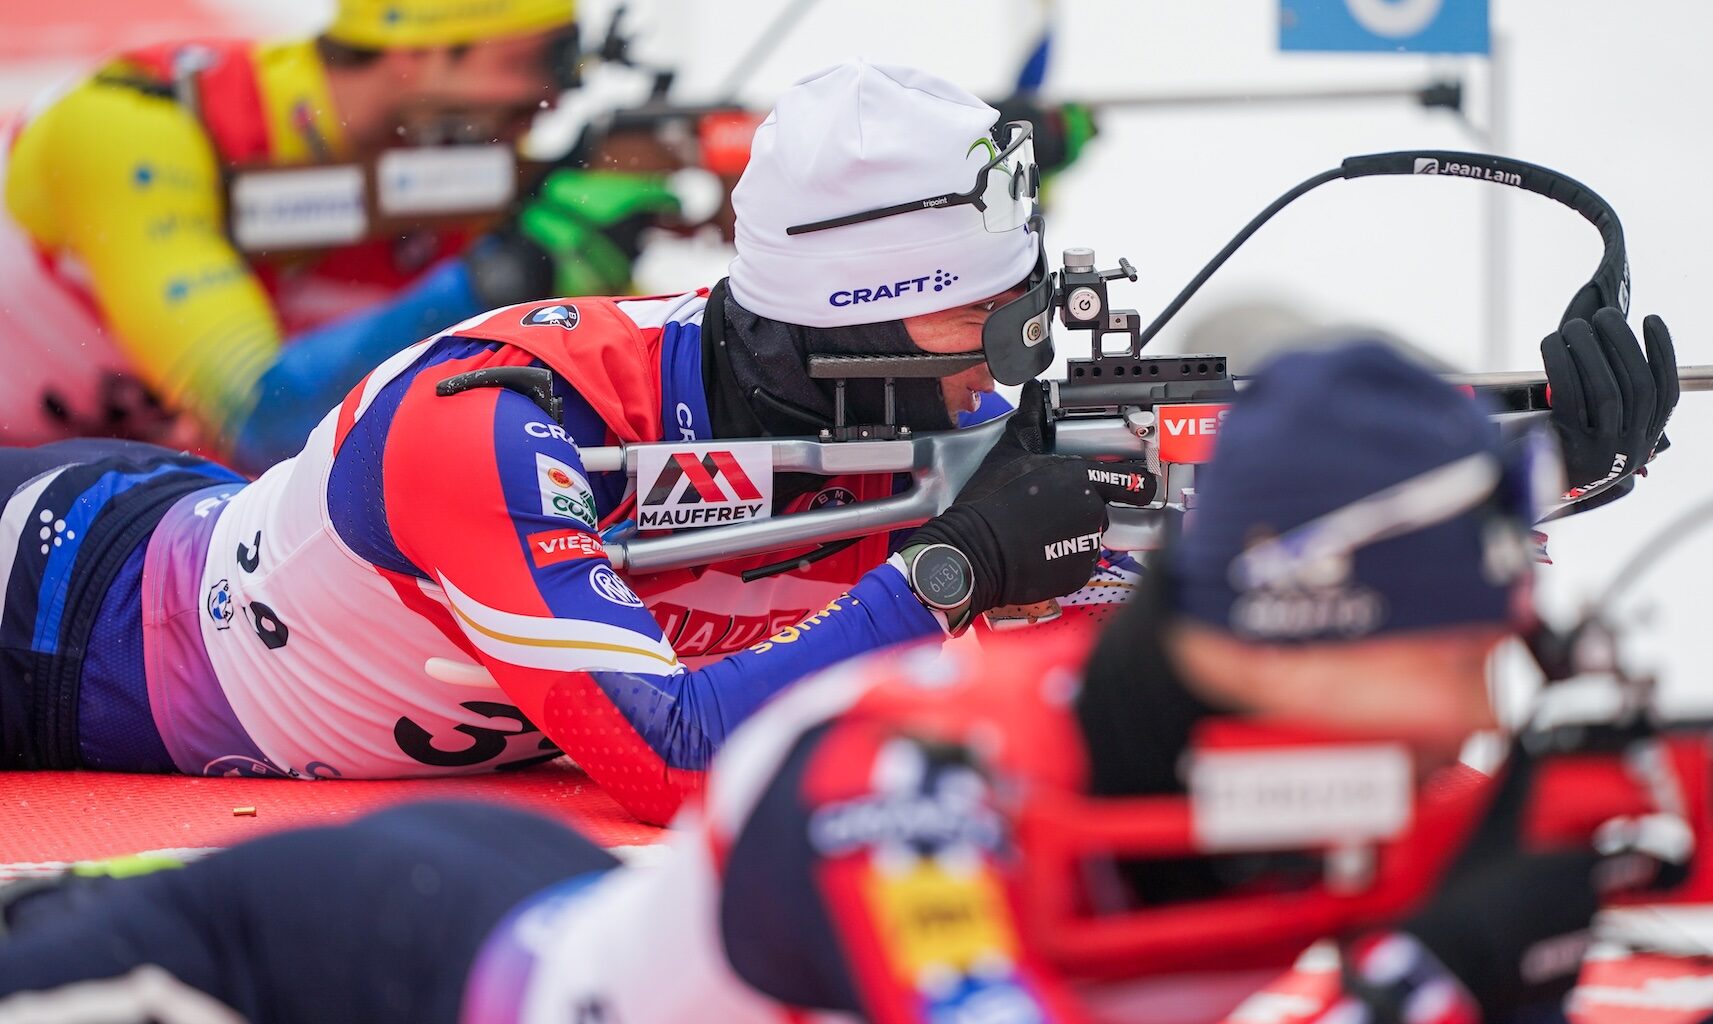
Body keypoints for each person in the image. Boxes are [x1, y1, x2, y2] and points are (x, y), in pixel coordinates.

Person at [0, 338, 1683, 1024]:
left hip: (490, 875)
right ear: (1299, 624)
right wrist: (1438, 983)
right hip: (344, 964)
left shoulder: (1307, 756)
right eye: (1462, 647)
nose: (1483, 710)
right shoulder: (917, 783)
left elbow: (1199, 516)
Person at [0, 63, 1150, 829]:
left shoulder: (893, 416)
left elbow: (1135, 636)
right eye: (981, 320)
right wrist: (953, 569)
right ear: (852, 321)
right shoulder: (500, 421)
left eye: (1028, 309)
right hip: (56, 619)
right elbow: (672, 758)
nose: (1008, 362)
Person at [0, 0, 672, 469]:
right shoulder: (132, 128)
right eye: (541, 61)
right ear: (420, 53)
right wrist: (510, 272)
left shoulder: (455, 160)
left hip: (152, 510)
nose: (552, 98)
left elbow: (636, 398)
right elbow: (259, 419)